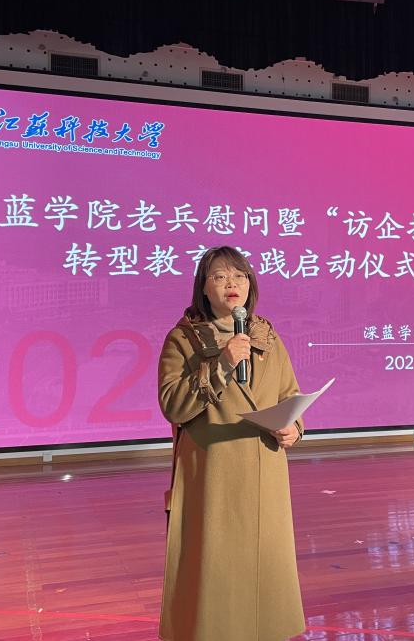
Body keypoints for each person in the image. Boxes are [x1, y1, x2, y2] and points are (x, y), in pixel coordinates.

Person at [158, 246, 306, 641]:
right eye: (220, 276)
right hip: (214, 472)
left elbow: (289, 394)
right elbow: (173, 405)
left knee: (266, 565)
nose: (231, 284)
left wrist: (295, 427)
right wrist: (222, 363)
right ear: (204, 288)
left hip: (265, 469)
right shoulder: (183, 339)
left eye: (239, 275)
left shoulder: (266, 335)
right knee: (216, 569)